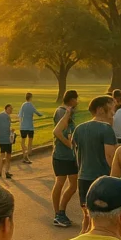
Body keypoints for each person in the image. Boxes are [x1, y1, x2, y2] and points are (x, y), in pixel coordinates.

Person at [70, 96, 118, 234]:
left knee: (87, 216)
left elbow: (77, 153)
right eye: (111, 107)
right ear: (100, 110)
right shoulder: (106, 129)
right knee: (102, 221)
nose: (114, 111)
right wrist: (117, 177)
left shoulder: (79, 129)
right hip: (101, 179)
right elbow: (110, 156)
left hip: (83, 177)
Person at [51, 91, 80, 228]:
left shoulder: (68, 112)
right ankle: (58, 214)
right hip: (61, 155)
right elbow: (58, 132)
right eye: (76, 99)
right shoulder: (62, 112)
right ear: (71, 100)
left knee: (73, 185)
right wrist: (68, 144)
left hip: (70, 156)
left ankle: (61, 210)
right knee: (60, 182)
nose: (77, 102)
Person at [0, 104, 16, 180]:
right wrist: (12, 132)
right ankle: (6, 172)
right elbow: (6, 128)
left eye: (11, 109)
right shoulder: (7, 117)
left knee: (1, 155)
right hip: (7, 140)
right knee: (8, 156)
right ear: (5, 109)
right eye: (10, 109)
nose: (11, 111)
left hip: (1, 139)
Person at [18, 93, 42, 164]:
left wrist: (20, 124)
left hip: (23, 127)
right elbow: (37, 113)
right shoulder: (31, 105)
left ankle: (25, 156)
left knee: (23, 141)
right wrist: (42, 114)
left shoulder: (23, 105)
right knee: (30, 143)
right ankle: (26, 155)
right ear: (31, 98)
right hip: (30, 127)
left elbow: (20, 115)